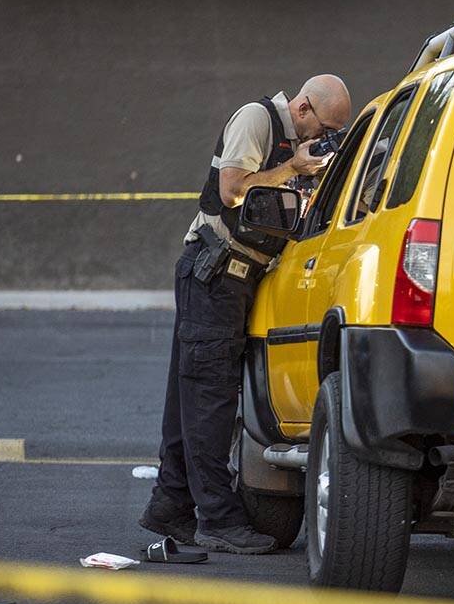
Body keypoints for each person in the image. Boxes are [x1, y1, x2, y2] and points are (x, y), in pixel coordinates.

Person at [140, 75, 352, 554]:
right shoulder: (258, 120)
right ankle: (217, 518)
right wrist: (292, 167)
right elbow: (233, 189)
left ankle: (169, 505)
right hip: (215, 274)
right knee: (211, 401)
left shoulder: (294, 141)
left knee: (188, 399)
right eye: (325, 128)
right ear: (302, 109)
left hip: (232, 280)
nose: (322, 139)